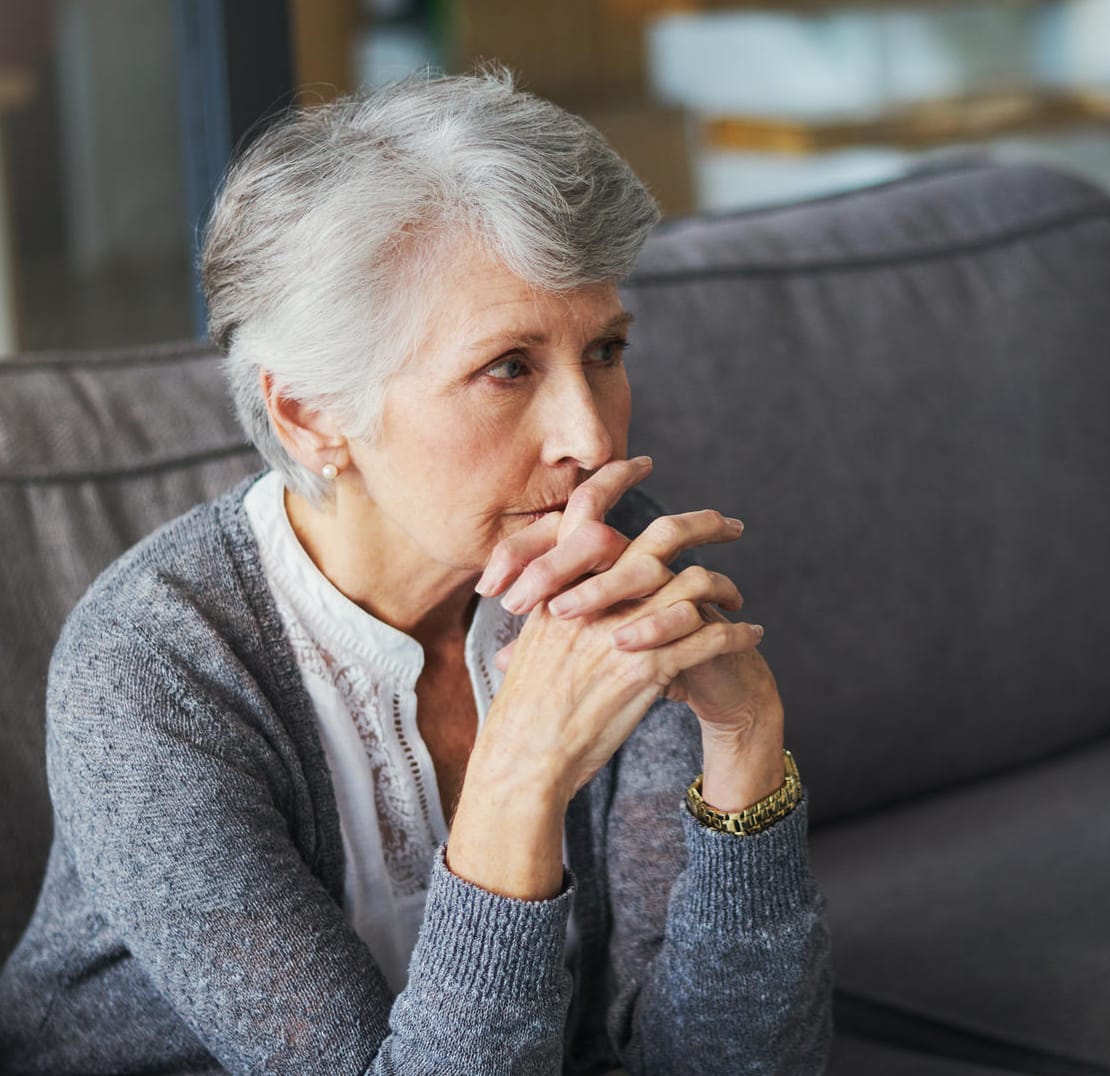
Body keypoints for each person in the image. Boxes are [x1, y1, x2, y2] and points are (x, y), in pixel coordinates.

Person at [0, 68, 832, 1074]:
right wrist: (518, 779)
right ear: (312, 413)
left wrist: (745, 753)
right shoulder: (151, 670)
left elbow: (727, 1061)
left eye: (605, 348)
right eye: (509, 367)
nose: (590, 435)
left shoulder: (617, 562)